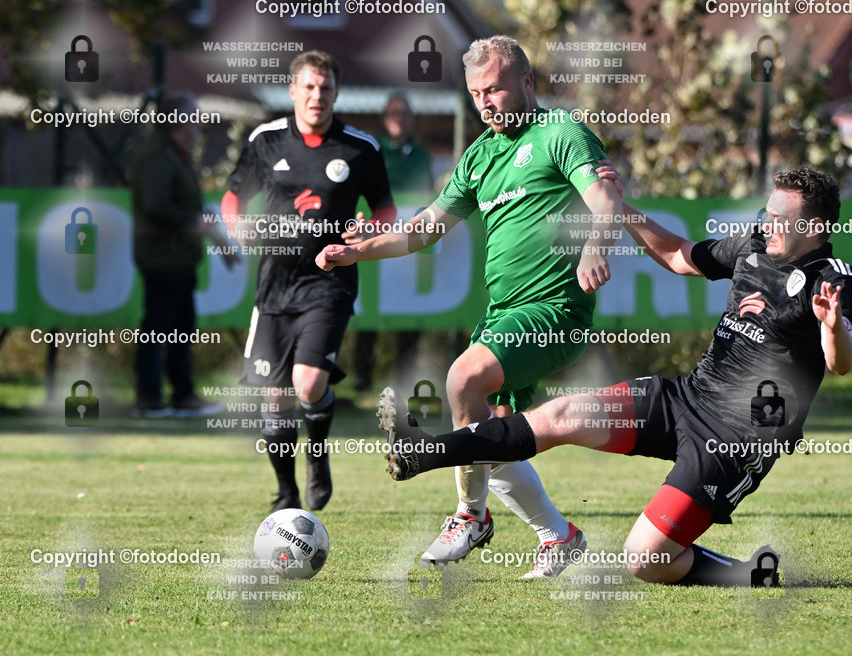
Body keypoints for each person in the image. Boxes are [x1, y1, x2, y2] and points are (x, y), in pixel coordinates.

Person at [377, 168, 852, 586]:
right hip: (687, 397)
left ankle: (750, 574)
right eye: (768, 211)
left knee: (644, 560)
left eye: (781, 217)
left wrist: (832, 326)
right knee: (558, 416)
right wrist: (622, 209)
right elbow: (678, 255)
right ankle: (423, 452)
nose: (768, 221)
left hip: (738, 436)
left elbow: (840, 363)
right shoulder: (754, 245)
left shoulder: (831, 276)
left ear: (814, 226)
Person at [317, 36, 624, 577]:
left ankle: (469, 514)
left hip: (555, 310)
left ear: (527, 83)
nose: (486, 102)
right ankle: (558, 535)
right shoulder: (478, 157)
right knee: (495, 434)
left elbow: (604, 197)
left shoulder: (561, 134)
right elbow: (425, 230)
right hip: (501, 313)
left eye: (496, 90)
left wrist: (596, 245)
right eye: (476, 94)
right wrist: (359, 250)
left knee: (463, 381)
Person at [222, 50, 396, 512]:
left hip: (329, 281)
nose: (317, 96)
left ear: (336, 93)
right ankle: (286, 491)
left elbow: (385, 210)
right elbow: (232, 197)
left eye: (326, 88)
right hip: (274, 286)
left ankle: (317, 455)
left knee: (308, 383)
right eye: (309, 87)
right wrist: (238, 228)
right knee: (276, 396)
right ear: (293, 90)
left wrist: (369, 231)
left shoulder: (361, 148)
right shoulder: (266, 140)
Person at [131, 93, 229, 418]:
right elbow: (156, 207)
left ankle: (182, 395)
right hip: (162, 258)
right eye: (194, 116)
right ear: (177, 121)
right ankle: (149, 398)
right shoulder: (157, 156)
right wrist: (193, 223)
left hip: (179, 259)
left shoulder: (176, 154)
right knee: (158, 328)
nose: (200, 122)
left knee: (181, 328)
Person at [353, 91, 435, 392]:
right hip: (375, 239)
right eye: (393, 113)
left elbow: (428, 194)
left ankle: (405, 377)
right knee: (370, 310)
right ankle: (363, 377)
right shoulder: (371, 149)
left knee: (408, 313)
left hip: (408, 244)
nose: (398, 118)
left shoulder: (421, 153)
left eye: (404, 113)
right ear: (384, 118)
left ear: (411, 118)